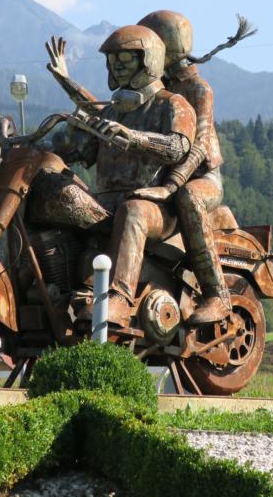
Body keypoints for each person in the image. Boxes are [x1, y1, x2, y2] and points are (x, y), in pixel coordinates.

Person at [45, 25, 197, 327]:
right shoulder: (113, 111)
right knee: (57, 196)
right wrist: (53, 144)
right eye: (112, 60)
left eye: (125, 59)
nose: (116, 66)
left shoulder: (171, 103)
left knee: (132, 211)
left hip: (154, 204)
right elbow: (84, 149)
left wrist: (135, 138)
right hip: (106, 200)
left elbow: (178, 147)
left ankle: (119, 297)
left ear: (148, 60)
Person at [131, 10, 254, 323]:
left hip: (202, 178)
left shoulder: (199, 89)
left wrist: (171, 185)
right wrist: (67, 83)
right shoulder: (157, 87)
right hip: (164, 177)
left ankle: (217, 295)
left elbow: (198, 146)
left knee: (189, 198)